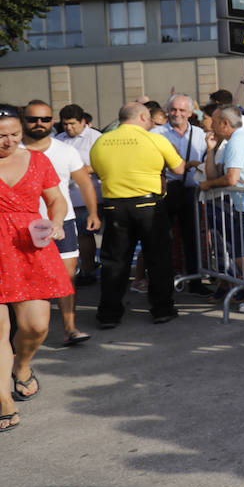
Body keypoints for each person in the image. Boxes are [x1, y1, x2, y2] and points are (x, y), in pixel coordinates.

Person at [0, 103, 75, 431]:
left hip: (31, 247)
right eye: (1, 136)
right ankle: (3, 398)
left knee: (36, 326)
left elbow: (56, 200)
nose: (9, 141)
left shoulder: (38, 160)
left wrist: (57, 223)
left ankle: (22, 366)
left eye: (15, 134)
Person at [88, 102, 185, 328]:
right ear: (142, 116)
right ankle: (162, 309)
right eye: (149, 117)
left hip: (115, 207)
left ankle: (108, 314)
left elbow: (98, 171)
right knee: (159, 259)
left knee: (115, 262)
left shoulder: (101, 141)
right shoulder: (155, 139)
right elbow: (179, 169)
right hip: (149, 205)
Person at [21, 100, 98, 347]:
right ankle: (25, 331)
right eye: (34, 119)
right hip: (24, 226)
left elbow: (84, 182)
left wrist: (93, 213)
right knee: (28, 279)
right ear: (25, 120)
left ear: (51, 121)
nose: (39, 124)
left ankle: (70, 328)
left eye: (45, 119)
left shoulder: (65, 150)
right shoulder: (13, 150)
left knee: (66, 277)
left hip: (62, 223)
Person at [200, 106, 244, 312]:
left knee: (243, 256)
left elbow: (228, 179)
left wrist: (207, 186)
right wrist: (211, 149)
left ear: (225, 124)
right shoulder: (237, 140)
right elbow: (214, 175)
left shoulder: (237, 142)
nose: (211, 127)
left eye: (214, 122)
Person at [155, 95, 210, 294]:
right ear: (167, 111)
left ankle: (195, 281)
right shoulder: (156, 133)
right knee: (164, 238)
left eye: (181, 110)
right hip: (165, 192)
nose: (177, 114)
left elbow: (206, 161)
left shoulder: (200, 134)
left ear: (190, 113)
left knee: (193, 238)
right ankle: (166, 281)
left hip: (191, 193)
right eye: (173, 110)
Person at [55, 104, 102, 284]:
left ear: (83, 122)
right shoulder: (59, 139)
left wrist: (82, 170)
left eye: (73, 124)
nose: (69, 128)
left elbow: (103, 164)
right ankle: (85, 269)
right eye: (65, 124)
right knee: (80, 236)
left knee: (91, 234)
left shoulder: (95, 138)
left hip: (93, 194)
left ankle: (94, 268)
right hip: (69, 197)